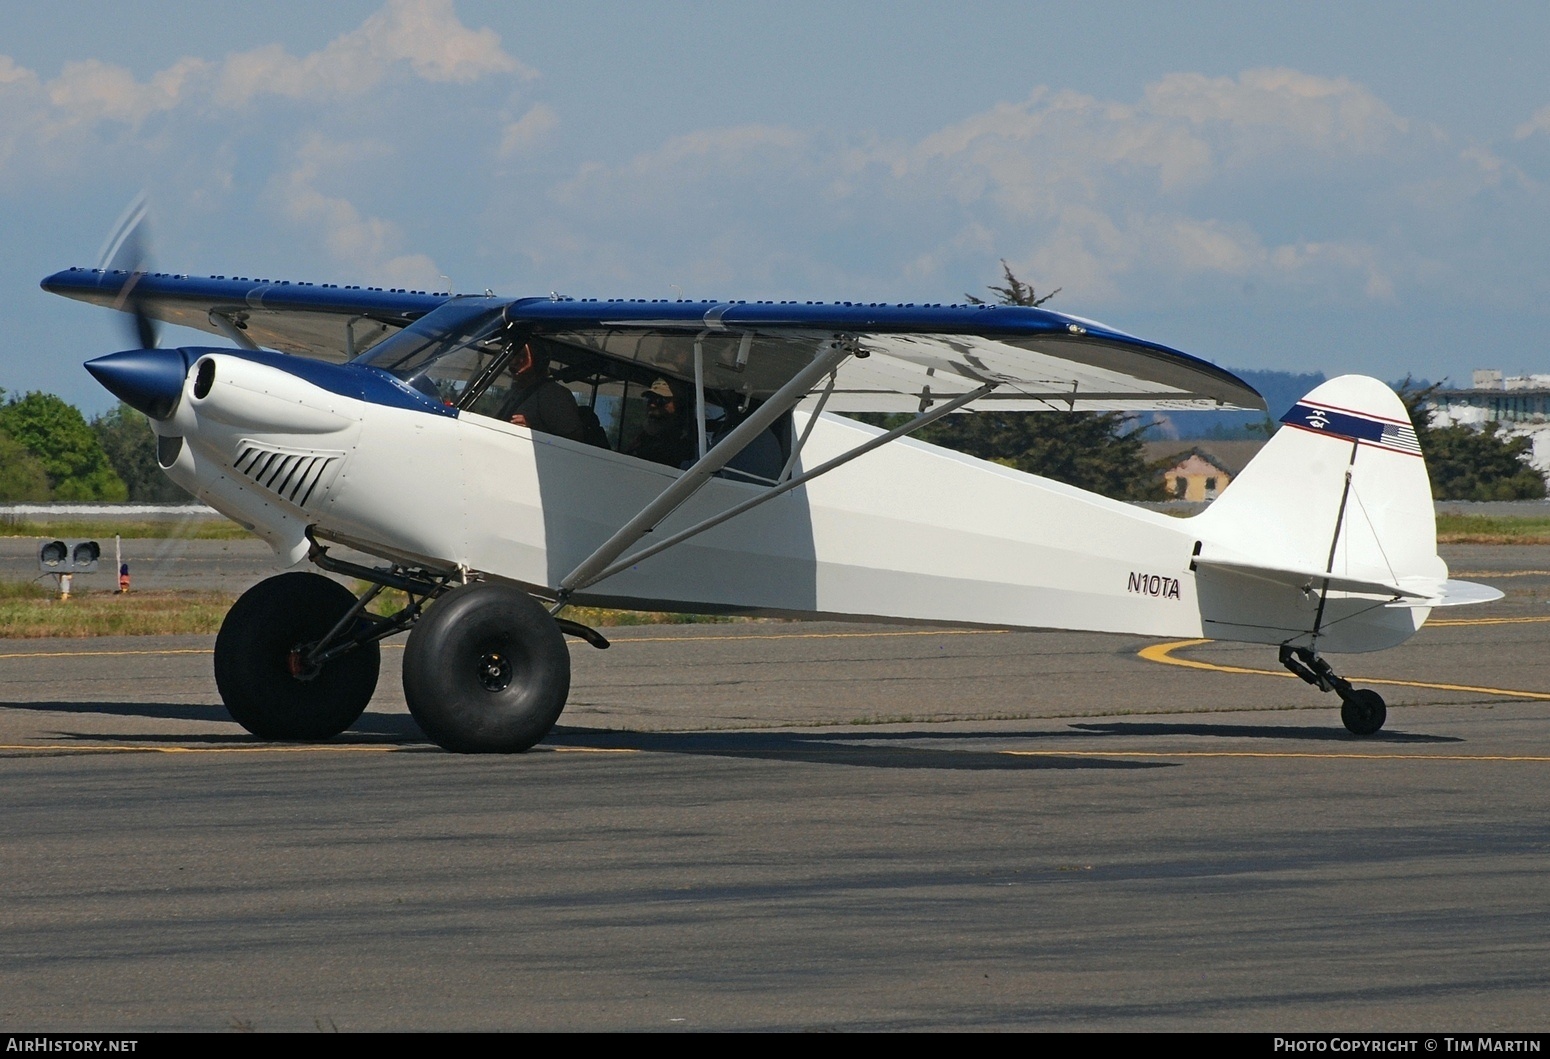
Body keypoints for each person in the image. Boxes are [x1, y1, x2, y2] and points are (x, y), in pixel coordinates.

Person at [497, 342, 586, 442]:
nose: (513, 362)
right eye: (513, 355)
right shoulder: (512, 393)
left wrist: (533, 431)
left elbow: (573, 441)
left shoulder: (552, 394)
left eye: (522, 356)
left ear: (538, 360)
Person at [626, 378, 697, 468]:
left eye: (661, 400)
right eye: (650, 400)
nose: (652, 405)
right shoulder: (641, 440)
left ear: (679, 406)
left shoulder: (691, 446)